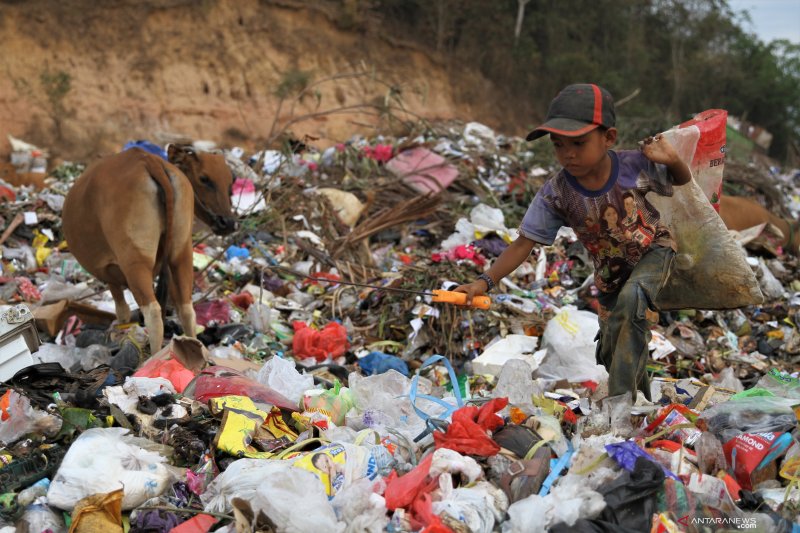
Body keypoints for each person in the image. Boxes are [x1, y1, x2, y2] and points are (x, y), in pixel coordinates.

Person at [455, 83, 691, 401]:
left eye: (578, 143)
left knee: (632, 300)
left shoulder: (634, 165)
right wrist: (484, 282)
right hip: (611, 275)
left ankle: (621, 409)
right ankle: (640, 400)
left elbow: (681, 181)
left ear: (608, 137)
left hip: (654, 250)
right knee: (612, 345)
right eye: (558, 145)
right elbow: (524, 243)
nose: (568, 153)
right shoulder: (557, 193)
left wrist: (673, 160)